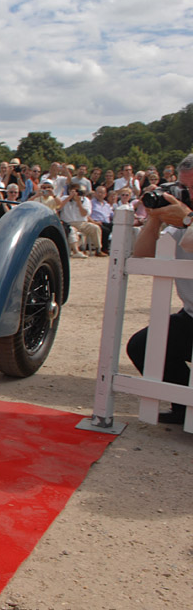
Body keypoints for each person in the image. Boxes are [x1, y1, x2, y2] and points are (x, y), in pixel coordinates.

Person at [126, 153, 193, 424]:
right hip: (190, 316)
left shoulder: (186, 218)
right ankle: (184, 405)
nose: (187, 193)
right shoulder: (182, 219)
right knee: (142, 346)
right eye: (184, 187)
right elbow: (141, 252)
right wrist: (154, 217)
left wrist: (187, 219)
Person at [60, 183, 106, 256]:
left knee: (95, 228)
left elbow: (85, 214)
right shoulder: (64, 198)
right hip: (69, 222)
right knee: (72, 231)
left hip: (82, 223)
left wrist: (78, 202)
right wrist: (70, 197)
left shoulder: (85, 200)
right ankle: (76, 251)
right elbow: (59, 207)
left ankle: (98, 249)